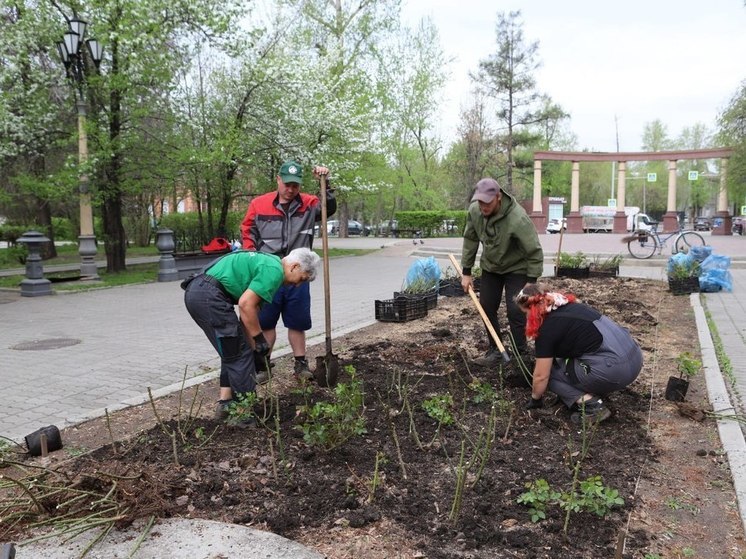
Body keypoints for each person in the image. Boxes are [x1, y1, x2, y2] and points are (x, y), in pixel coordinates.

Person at [183, 248, 321, 425]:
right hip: (208, 296)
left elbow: (250, 313)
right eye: (301, 279)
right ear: (294, 267)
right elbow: (246, 304)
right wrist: (259, 339)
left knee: (233, 350)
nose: (298, 286)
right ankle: (244, 415)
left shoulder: (270, 263)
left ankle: (226, 404)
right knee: (240, 356)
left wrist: (255, 349)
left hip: (200, 292)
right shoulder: (274, 272)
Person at [241, 160, 336, 383]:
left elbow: (328, 209)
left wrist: (326, 184)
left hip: (298, 273)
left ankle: (300, 364)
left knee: (298, 321)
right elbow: (248, 230)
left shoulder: (309, 204)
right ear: (278, 180)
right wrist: (250, 255)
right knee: (266, 322)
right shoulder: (259, 204)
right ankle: (263, 365)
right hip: (268, 274)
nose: (291, 189)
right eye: (287, 184)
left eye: (295, 185)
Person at [515, 283, 643, 423]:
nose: (526, 318)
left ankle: (593, 406)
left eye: (525, 313)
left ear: (532, 309)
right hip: (635, 358)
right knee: (563, 363)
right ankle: (592, 387)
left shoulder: (546, 330)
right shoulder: (572, 307)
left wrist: (535, 399)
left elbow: (541, 377)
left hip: (616, 371)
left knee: (551, 376)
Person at [460, 177, 544, 366]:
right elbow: (470, 239)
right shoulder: (475, 211)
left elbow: (534, 251)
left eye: (487, 202)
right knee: (486, 307)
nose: (483, 207)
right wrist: (466, 271)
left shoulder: (518, 218)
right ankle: (496, 351)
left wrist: (531, 282)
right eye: (480, 202)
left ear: (498, 197)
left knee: (516, 310)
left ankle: (520, 354)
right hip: (491, 267)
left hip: (517, 268)